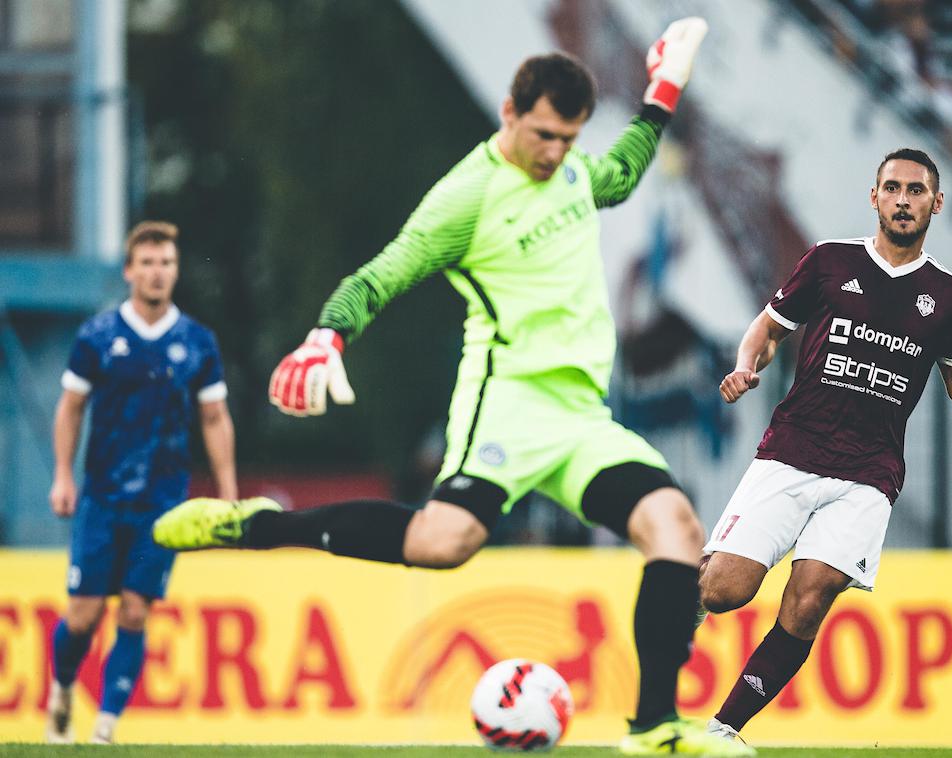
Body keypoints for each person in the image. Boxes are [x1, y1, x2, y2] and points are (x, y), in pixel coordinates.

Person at [153, 21, 752, 756]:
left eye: (569, 138)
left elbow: (620, 176)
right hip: (505, 405)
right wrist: (326, 336)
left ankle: (654, 729)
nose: (557, 153)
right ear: (508, 112)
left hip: (580, 419)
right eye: (543, 135)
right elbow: (384, 272)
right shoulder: (467, 197)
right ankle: (254, 527)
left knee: (675, 528)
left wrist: (662, 91)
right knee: (443, 543)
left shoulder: (566, 170)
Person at [697, 149, 952, 747]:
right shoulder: (829, 262)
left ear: (936, 203)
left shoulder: (948, 295)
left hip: (869, 473)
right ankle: (687, 590)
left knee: (809, 600)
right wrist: (745, 367)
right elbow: (766, 329)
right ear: (875, 197)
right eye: (892, 188)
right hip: (792, 450)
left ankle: (723, 730)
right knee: (724, 592)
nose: (903, 199)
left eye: (916, 190)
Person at [45, 221, 237, 744]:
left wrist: (228, 493)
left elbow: (215, 417)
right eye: (148, 263)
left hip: (163, 500)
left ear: (176, 271)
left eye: (167, 263)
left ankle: (105, 729)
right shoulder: (98, 336)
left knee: (135, 609)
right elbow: (71, 407)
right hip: (103, 496)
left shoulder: (197, 342)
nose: (158, 273)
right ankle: (61, 688)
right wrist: (64, 475)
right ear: (130, 270)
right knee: (83, 614)